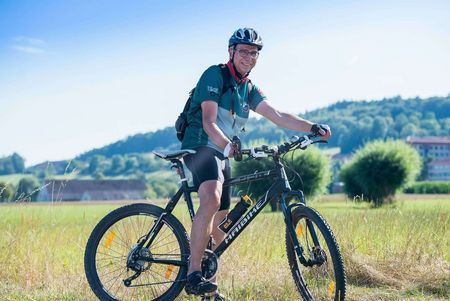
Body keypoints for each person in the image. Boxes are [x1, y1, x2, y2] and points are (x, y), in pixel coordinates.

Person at [181, 27, 331, 300]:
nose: (249, 57)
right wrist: (227, 145)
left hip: (223, 152)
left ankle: (208, 289)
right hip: (201, 145)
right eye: (243, 51)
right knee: (212, 199)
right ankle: (193, 274)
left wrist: (312, 126)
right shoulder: (214, 75)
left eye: (254, 53)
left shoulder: (248, 89)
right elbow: (208, 121)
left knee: (222, 223)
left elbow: (277, 114)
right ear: (231, 52)